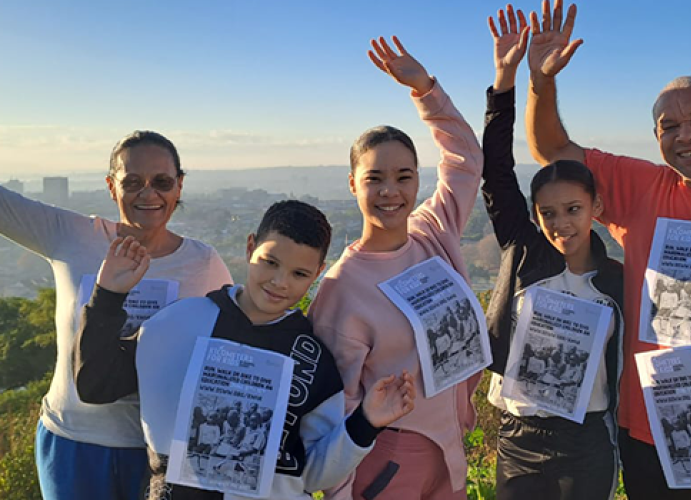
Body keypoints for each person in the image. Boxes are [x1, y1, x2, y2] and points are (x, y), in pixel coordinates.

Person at [523, 0, 691, 497]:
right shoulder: (644, 188)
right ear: (656, 136)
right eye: (670, 127)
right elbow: (553, 151)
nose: (687, 135)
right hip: (651, 436)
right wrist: (541, 83)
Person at [74, 200, 417, 500]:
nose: (280, 282)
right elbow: (95, 386)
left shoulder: (314, 361)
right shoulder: (177, 323)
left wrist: (365, 423)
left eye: (299, 273)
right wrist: (108, 296)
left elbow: (315, 475)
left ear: (318, 273)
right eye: (270, 262)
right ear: (250, 246)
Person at [0, 130, 232, 499]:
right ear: (112, 186)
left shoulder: (203, 263)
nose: (148, 194)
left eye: (162, 182)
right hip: (73, 441)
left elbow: (235, 344)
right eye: (132, 182)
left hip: (158, 452)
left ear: (179, 186)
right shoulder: (71, 236)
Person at [308, 36, 483, 499]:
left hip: (449, 448)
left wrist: (426, 90)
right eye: (374, 179)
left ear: (417, 181)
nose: (390, 191)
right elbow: (335, 406)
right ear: (353, 184)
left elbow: (466, 161)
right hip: (387, 459)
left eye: (403, 177)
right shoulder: (343, 287)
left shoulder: (432, 233)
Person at [481, 5, 624, 499]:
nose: (561, 223)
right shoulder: (525, 253)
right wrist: (505, 80)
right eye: (548, 213)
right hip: (518, 436)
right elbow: (496, 170)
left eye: (573, 209)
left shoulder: (616, 282)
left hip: (587, 440)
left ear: (596, 208)